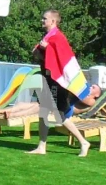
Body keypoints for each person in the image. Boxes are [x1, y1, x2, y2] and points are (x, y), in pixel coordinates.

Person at [26, 9, 92, 157]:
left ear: (53, 21)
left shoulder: (57, 37)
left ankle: (83, 142)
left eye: (45, 18)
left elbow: (62, 59)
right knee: (43, 112)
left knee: (60, 115)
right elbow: (42, 57)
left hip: (57, 82)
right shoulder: (49, 37)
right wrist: (40, 51)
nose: (42, 21)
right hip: (48, 79)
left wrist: (45, 48)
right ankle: (41, 147)